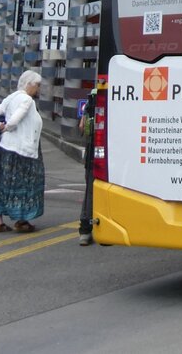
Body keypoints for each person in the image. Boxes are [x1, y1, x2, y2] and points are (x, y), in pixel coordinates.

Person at [0, 70, 45, 233]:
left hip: (6, 148)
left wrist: (0, 124)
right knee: (26, 183)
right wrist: (8, 125)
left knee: (4, 183)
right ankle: (22, 220)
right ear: (29, 84)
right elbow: (18, 117)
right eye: (37, 85)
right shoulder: (26, 99)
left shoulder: (10, 98)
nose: (38, 89)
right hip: (23, 150)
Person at [76, 85, 97, 246]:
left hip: (92, 152)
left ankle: (85, 229)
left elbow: (82, 127)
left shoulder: (94, 97)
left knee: (90, 189)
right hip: (113, 152)